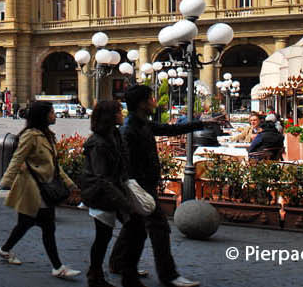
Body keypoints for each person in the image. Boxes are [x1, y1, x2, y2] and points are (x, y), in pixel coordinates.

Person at [109, 84, 212, 287]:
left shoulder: (141, 123)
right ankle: (168, 275)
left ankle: (119, 264)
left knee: (134, 227)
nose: (155, 102)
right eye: (151, 98)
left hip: (142, 185)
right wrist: (134, 188)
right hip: (140, 187)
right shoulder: (130, 128)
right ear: (142, 103)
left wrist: (199, 124)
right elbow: (125, 162)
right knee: (159, 228)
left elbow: (170, 129)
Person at [0, 100, 79, 279]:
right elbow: (17, 159)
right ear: (43, 115)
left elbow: (55, 166)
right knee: (48, 227)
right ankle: (57, 267)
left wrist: (70, 183)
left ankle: (5, 249)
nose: (54, 115)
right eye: (51, 112)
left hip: (44, 188)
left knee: (25, 224)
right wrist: (5, 182)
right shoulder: (31, 136)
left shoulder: (47, 135)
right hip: (33, 189)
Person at [80, 100, 134, 287]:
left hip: (112, 193)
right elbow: (102, 177)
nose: (123, 114)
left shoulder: (115, 134)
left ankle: (103, 271)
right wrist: (124, 202)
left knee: (126, 230)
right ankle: (95, 275)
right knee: (103, 236)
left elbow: (121, 164)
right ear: (110, 116)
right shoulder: (98, 143)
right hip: (100, 195)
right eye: (119, 111)